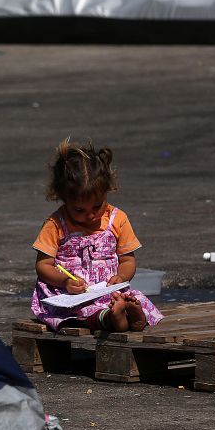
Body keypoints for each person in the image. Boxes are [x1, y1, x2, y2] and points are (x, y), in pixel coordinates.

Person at [30, 139, 164, 333]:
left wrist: (121, 277)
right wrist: (65, 281)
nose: (90, 215)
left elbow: (127, 260)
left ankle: (132, 314)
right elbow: (43, 266)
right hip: (71, 295)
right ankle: (112, 318)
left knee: (132, 298)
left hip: (109, 291)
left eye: (97, 206)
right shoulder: (56, 224)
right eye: (79, 210)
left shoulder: (118, 219)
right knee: (80, 312)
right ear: (62, 197)